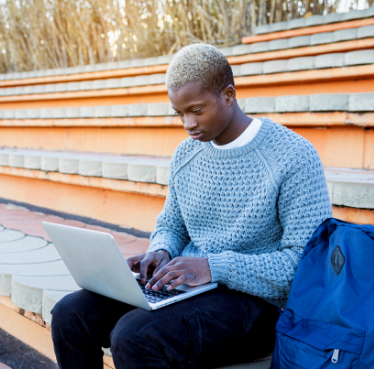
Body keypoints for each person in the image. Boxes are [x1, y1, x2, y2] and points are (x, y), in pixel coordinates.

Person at [50, 43, 333, 369]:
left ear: (228, 95)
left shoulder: (293, 155)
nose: (187, 123)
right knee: (70, 314)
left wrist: (214, 267)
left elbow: (305, 265)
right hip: (188, 287)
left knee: (133, 336)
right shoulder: (186, 155)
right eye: (179, 113)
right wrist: (162, 251)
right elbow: (172, 224)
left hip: (258, 304)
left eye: (196, 110)